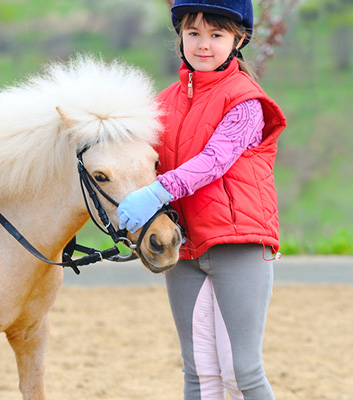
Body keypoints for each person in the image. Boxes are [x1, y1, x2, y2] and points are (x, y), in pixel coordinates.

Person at [115, 1, 287, 398]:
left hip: (239, 243)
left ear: (238, 38)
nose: (203, 45)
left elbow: (214, 161)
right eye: (193, 33)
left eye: (216, 34)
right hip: (185, 245)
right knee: (198, 372)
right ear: (180, 37)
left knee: (242, 370)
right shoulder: (162, 103)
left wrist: (156, 193)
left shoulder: (246, 101)